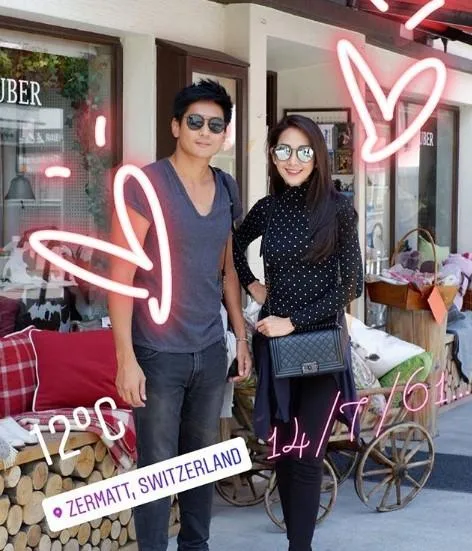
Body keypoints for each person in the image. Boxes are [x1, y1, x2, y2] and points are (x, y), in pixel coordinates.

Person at [108, 79, 252, 551]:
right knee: (156, 467)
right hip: (157, 353)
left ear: (224, 135)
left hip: (209, 350)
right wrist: (126, 359)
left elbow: (228, 270)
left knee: (200, 463)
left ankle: (196, 546)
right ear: (175, 126)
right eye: (195, 121)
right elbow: (120, 276)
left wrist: (240, 337)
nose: (205, 131)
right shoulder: (148, 185)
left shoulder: (227, 187)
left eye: (215, 124)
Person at [232, 114, 363, 551]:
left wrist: (294, 320)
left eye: (304, 151)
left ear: (317, 156)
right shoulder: (268, 209)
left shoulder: (338, 208)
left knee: (306, 454)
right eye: (284, 150)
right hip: (276, 349)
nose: (293, 160)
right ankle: (296, 540)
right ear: (273, 156)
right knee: (285, 454)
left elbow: (352, 285)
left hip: (320, 348)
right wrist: (251, 283)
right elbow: (234, 243)